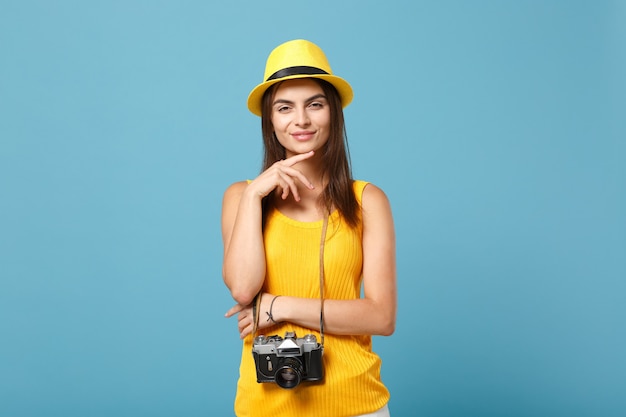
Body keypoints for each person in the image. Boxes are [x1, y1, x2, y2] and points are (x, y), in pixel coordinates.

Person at [222, 39, 397, 417]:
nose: (300, 120)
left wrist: (278, 306)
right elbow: (242, 288)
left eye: (314, 104)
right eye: (285, 108)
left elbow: (381, 317)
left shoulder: (368, 201)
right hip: (265, 406)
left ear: (333, 113)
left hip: (356, 404)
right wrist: (254, 196)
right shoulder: (241, 197)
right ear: (270, 120)